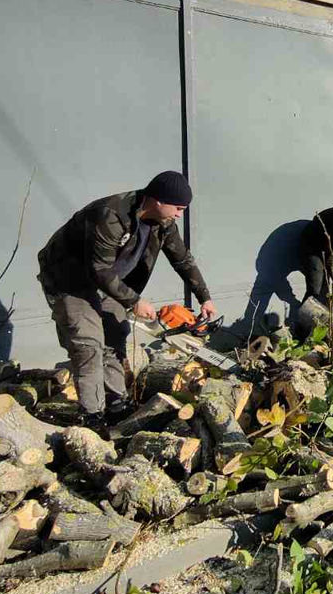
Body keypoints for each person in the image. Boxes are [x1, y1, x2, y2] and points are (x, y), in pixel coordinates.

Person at [37, 171, 215, 425]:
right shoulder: (110, 215)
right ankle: (92, 416)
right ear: (158, 200)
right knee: (88, 344)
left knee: (114, 338)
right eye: (177, 208)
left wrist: (204, 297)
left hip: (112, 282)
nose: (179, 214)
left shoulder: (163, 224)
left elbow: (182, 259)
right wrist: (133, 301)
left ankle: (116, 403)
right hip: (71, 280)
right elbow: (98, 269)